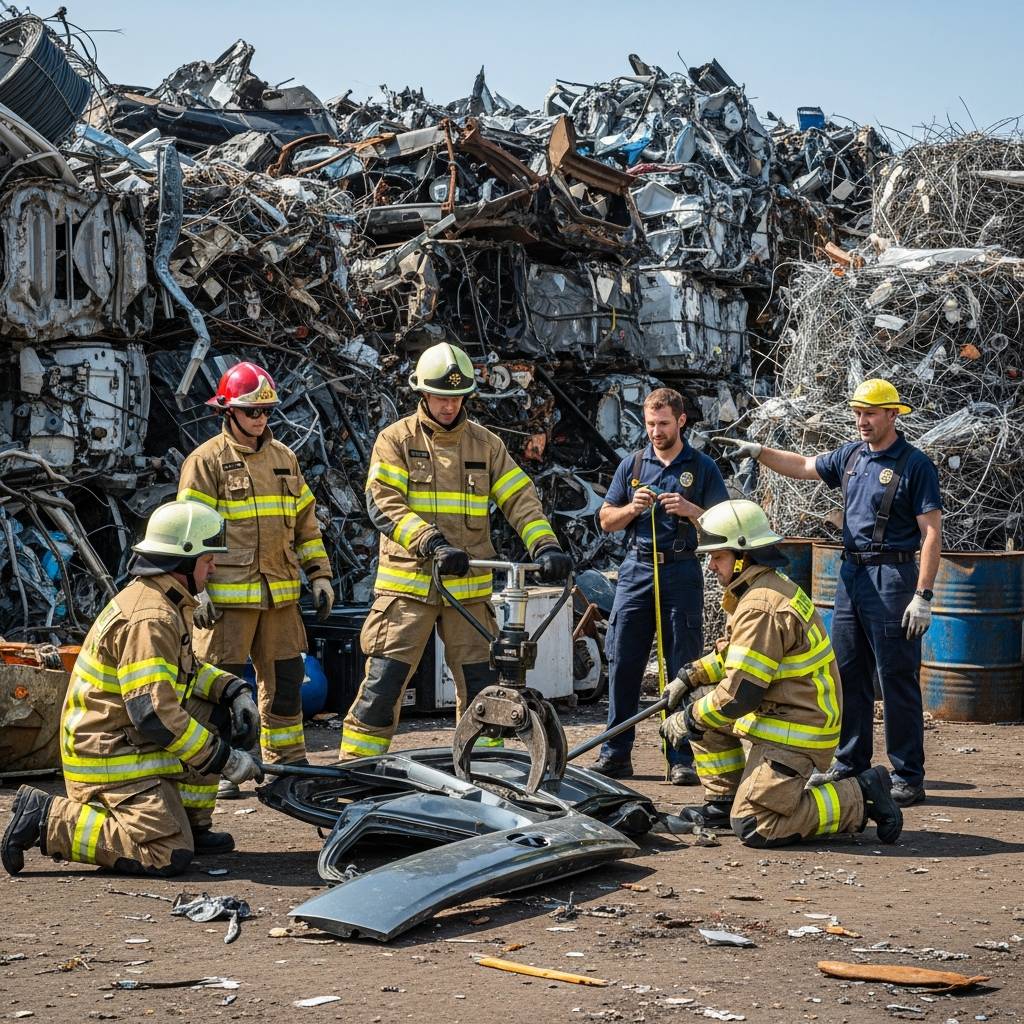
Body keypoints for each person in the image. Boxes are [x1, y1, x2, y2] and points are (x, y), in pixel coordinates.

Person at [1, 502, 263, 877]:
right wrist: (225, 760)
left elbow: (184, 672)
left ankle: (192, 823)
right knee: (167, 854)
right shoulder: (151, 618)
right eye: (208, 561)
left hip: (124, 736)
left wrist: (233, 690)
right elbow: (154, 714)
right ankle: (48, 818)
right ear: (183, 563)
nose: (214, 569)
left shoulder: (167, 601)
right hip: (110, 754)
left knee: (216, 711)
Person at [340, 341, 571, 759]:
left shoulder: (485, 445)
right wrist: (432, 542)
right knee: (384, 685)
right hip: (408, 589)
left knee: (485, 692)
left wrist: (545, 544)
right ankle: (357, 772)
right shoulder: (395, 440)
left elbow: (519, 498)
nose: (449, 405)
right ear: (422, 393)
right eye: (441, 396)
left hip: (466, 591)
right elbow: (383, 502)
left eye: (457, 397)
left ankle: (483, 774)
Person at [723, 379, 941, 807]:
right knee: (848, 673)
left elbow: (931, 532)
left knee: (896, 679)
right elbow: (805, 465)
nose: (862, 420)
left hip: (893, 577)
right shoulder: (851, 456)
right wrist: (759, 453)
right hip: (851, 575)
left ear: (893, 415)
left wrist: (924, 595)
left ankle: (908, 775)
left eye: (871, 413)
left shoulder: (915, 465)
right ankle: (852, 761)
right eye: (858, 412)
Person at [659, 498, 903, 847]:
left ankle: (858, 796)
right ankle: (723, 800)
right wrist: (691, 675)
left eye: (718, 556)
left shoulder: (759, 606)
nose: (711, 566)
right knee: (700, 700)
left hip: (797, 728)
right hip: (782, 712)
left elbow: (740, 693)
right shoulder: (762, 588)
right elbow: (740, 657)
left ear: (743, 556)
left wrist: (689, 720)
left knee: (755, 824)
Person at [178, 361, 334, 796]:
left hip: (280, 598)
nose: (261, 418)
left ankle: (288, 765)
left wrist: (319, 575)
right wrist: (198, 591)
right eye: (252, 411)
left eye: (266, 411)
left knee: (286, 685)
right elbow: (189, 530)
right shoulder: (205, 462)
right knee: (218, 689)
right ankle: (221, 767)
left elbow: (306, 526)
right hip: (226, 603)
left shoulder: (285, 460)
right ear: (228, 412)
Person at [593, 387, 729, 784]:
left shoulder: (702, 467)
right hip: (636, 570)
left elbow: (724, 525)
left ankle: (681, 757)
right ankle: (615, 753)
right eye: (651, 424)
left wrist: (691, 511)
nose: (655, 431)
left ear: (681, 421)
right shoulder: (632, 464)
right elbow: (605, 520)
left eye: (663, 424)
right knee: (624, 663)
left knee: (682, 667)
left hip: (681, 571)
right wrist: (631, 508)